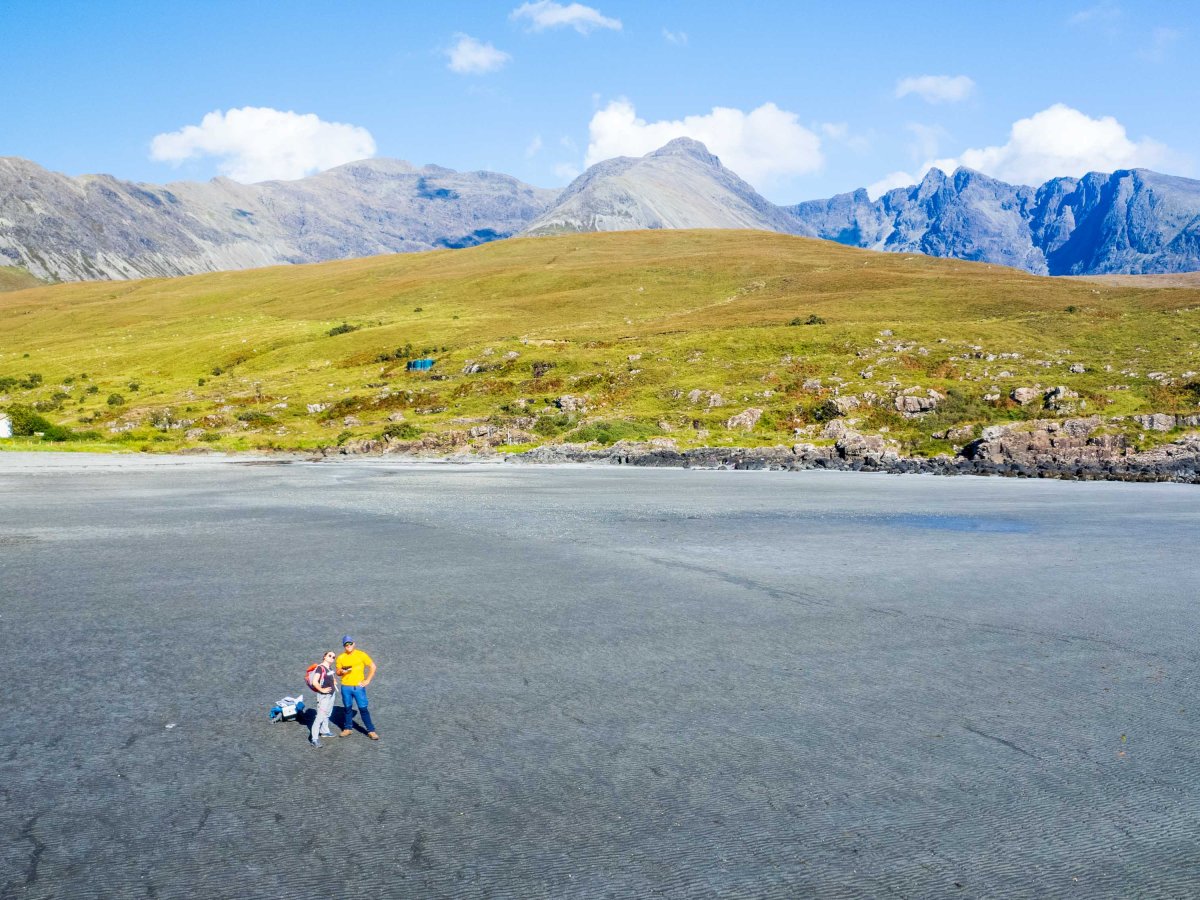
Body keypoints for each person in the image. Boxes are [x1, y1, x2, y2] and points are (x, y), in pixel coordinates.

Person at [336, 636, 379, 740]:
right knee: (347, 708)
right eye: (346, 644)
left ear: (354, 644)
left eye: (350, 643)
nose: (348, 646)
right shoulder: (341, 657)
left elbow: (373, 666)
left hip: (358, 687)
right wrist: (342, 671)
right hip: (345, 687)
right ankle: (347, 728)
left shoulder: (361, 655)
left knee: (363, 708)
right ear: (344, 646)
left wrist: (367, 680)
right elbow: (337, 672)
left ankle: (371, 730)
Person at [307, 650, 337, 749]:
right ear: (324, 657)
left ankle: (324, 731)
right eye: (330, 655)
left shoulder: (329, 668)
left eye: (333, 657)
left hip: (331, 695)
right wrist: (322, 690)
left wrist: (333, 682)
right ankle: (314, 739)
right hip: (324, 696)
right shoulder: (320, 668)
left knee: (327, 714)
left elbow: (329, 678)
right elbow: (315, 682)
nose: (332, 658)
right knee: (319, 717)